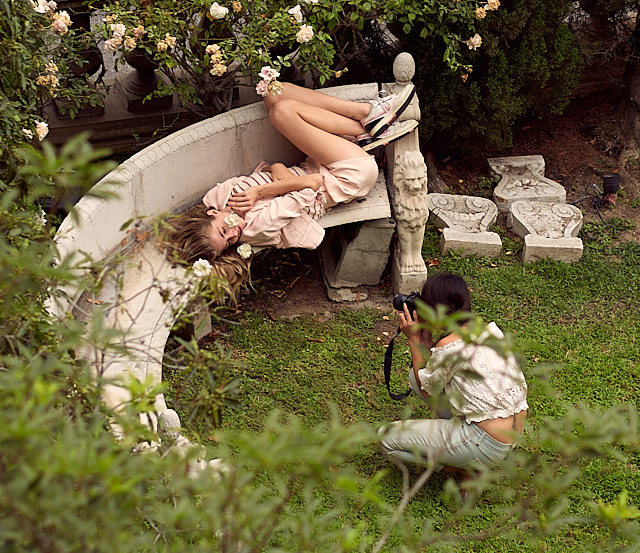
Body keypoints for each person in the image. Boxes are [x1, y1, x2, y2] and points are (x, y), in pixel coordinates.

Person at [165, 81, 418, 274]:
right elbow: (313, 185)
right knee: (283, 111)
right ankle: (367, 113)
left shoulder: (218, 197)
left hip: (320, 163)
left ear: (211, 213)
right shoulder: (255, 228)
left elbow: (269, 171)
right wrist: (261, 192)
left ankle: (366, 129)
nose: (234, 233)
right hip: (348, 176)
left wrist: (276, 173)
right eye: (230, 242)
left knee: (273, 92)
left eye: (223, 230)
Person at [379, 272, 528, 474]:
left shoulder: (450, 346)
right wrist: (427, 343)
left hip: (484, 442)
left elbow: (426, 390)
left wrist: (414, 340)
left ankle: (467, 469)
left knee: (385, 439)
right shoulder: (489, 331)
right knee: (415, 379)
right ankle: (465, 454)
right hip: (511, 433)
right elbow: (429, 377)